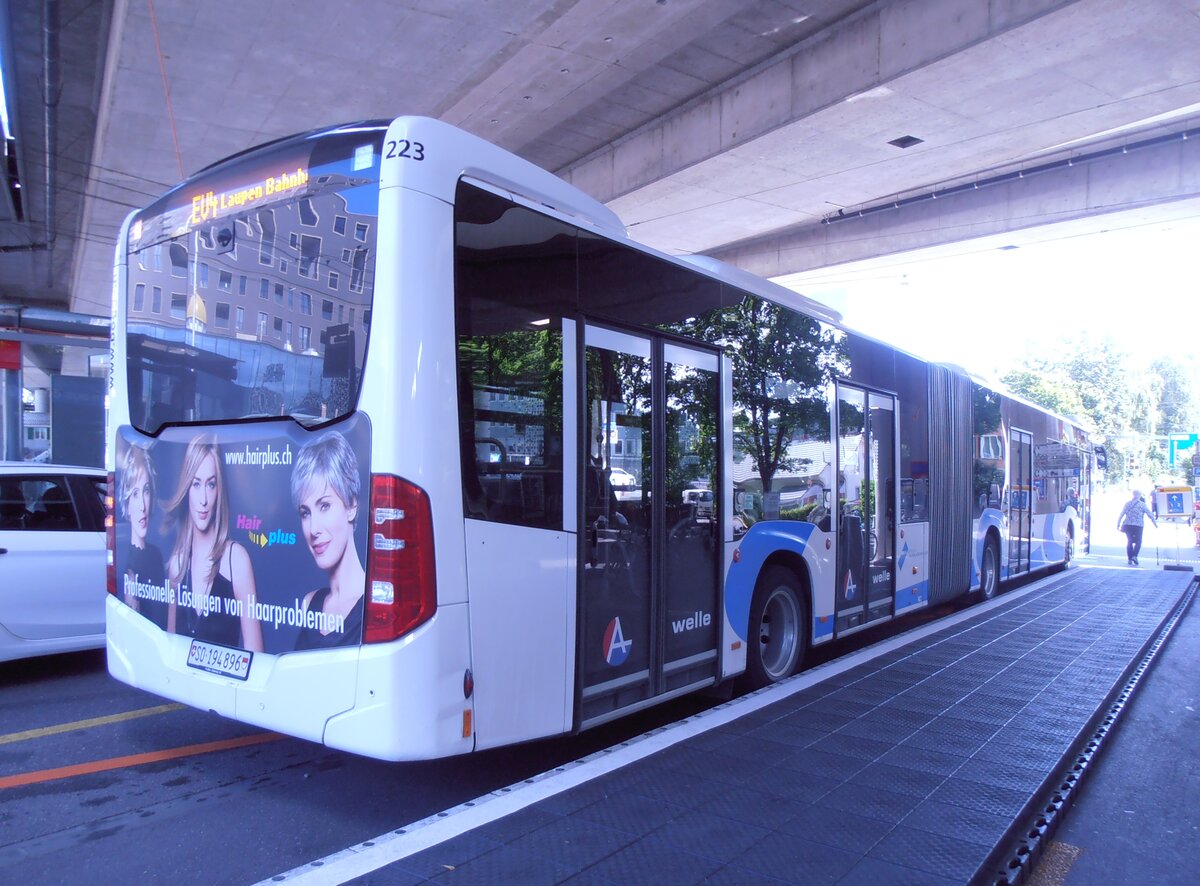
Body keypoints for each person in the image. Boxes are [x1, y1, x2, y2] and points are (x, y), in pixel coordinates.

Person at [165, 435, 263, 651]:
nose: (203, 500)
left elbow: (256, 655)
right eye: (196, 484)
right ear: (186, 489)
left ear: (219, 491)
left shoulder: (235, 560)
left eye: (211, 485)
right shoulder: (177, 565)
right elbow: (171, 646)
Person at [290, 432, 366, 649]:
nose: (313, 529)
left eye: (324, 506)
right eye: (305, 513)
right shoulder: (309, 605)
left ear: (351, 505)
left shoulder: (374, 608)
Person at [119, 443, 169, 628]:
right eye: (135, 494)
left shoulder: (156, 554)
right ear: (126, 503)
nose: (142, 505)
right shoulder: (125, 561)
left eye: (146, 491)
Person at [1117, 489, 1157, 567]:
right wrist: (1154, 523)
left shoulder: (1128, 503)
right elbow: (1149, 514)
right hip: (1138, 526)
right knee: (1139, 541)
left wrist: (1118, 523)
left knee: (1129, 541)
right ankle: (1135, 556)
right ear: (1140, 495)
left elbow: (1122, 513)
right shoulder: (1142, 504)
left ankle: (1129, 559)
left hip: (1128, 525)